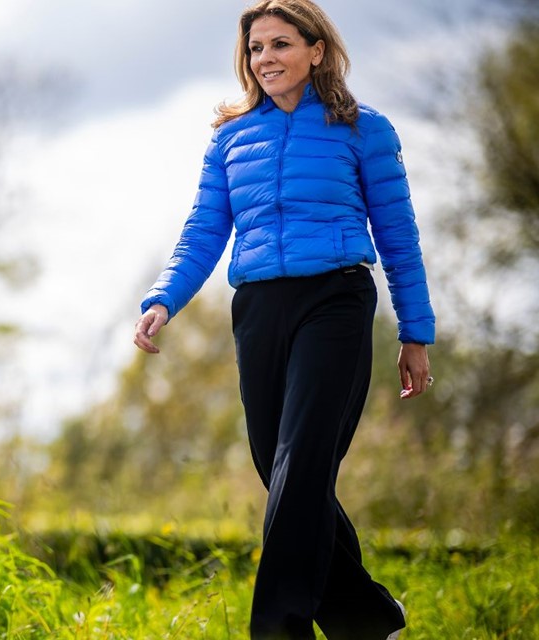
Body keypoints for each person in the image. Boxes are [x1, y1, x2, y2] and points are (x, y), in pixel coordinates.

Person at [132, 1, 434, 638]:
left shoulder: (364, 130)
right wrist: (163, 299)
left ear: (316, 50)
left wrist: (415, 331)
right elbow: (204, 230)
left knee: (300, 462)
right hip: (260, 309)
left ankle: (278, 626)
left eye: (279, 44)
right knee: (281, 469)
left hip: (336, 300)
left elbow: (400, 236)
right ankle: (367, 618)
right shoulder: (231, 138)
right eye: (255, 49)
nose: (264, 59)